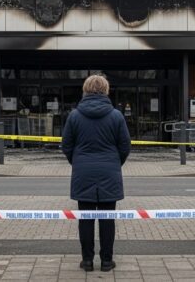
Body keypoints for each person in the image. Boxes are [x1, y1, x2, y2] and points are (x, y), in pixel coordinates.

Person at [61, 74, 131, 272]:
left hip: (83, 173)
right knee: (108, 219)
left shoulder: (75, 115)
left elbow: (66, 145)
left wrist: (77, 162)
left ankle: (87, 261)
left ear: (85, 90)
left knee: (86, 218)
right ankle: (107, 261)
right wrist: (115, 163)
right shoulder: (116, 116)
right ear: (106, 90)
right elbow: (125, 146)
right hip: (110, 172)